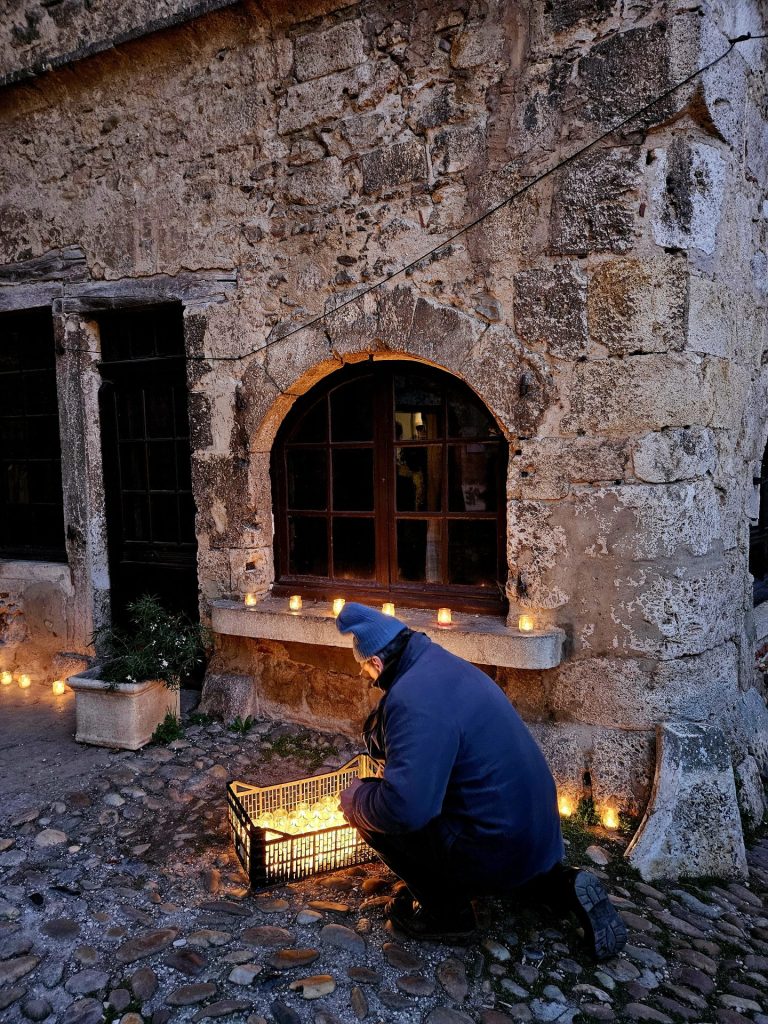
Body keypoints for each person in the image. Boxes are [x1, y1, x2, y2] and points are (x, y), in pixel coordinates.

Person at [336, 602, 627, 959]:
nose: (369, 679)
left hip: (495, 847)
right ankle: (559, 885)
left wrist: (357, 800)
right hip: (539, 837)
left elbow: (405, 809)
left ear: (376, 663)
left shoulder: (411, 699)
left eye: (366, 672)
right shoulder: (446, 665)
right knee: (499, 838)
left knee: (371, 801)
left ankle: (446, 913)